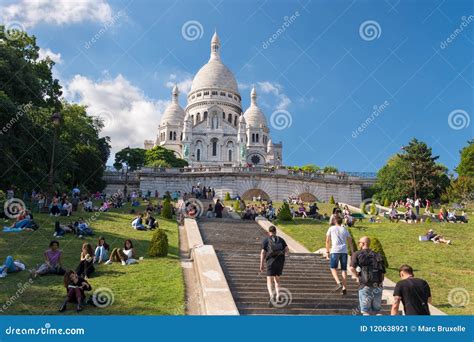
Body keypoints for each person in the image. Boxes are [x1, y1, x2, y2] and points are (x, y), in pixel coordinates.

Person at [350, 237, 386, 315]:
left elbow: (352, 268)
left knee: (365, 310)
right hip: (378, 285)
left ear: (363, 243)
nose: (359, 244)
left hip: (364, 284)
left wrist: (356, 277)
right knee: (377, 311)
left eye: (359, 242)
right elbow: (382, 272)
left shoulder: (357, 254)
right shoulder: (377, 255)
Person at [260, 226, 289, 306]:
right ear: (275, 231)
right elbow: (287, 250)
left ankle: (272, 295)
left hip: (271, 262)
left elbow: (263, 253)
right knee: (277, 280)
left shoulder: (266, 240)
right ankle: (278, 295)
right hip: (280, 261)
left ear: (269, 232)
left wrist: (261, 264)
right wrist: (284, 255)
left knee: (269, 281)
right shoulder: (281, 239)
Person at [325, 215, 354, 295]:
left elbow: (327, 241)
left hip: (335, 250)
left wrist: (327, 251)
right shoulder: (345, 229)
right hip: (344, 251)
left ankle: (338, 283)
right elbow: (350, 242)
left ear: (334, 221)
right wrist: (352, 252)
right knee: (344, 270)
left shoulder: (331, 228)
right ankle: (344, 288)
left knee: (333, 268)